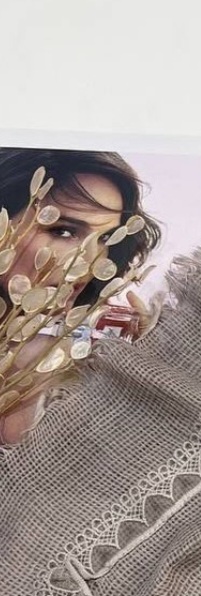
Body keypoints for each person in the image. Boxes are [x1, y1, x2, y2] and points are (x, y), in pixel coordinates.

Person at [0, 148, 164, 447]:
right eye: (63, 231)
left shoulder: (91, 356)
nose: (91, 261)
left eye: (105, 238)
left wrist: (147, 379)